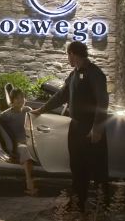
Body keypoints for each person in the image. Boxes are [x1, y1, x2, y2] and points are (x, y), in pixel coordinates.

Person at [33, 41, 109, 211]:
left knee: (98, 169)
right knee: (77, 167)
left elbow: (103, 101)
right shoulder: (74, 74)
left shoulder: (95, 73)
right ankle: (77, 203)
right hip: (76, 128)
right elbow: (61, 95)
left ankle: (104, 207)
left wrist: (97, 128)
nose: (68, 58)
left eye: (68, 54)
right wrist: (42, 109)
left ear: (73, 54)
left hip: (91, 128)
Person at [0, 88, 37, 195]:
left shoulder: (27, 110)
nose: (20, 100)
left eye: (22, 97)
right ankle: (29, 184)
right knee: (26, 150)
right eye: (17, 98)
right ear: (12, 100)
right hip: (16, 145)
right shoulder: (6, 115)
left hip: (29, 141)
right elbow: (3, 135)